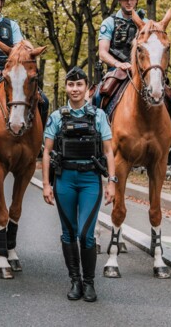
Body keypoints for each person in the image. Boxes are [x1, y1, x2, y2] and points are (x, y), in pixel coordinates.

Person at [42, 67, 116, 302]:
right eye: (71, 85)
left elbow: (108, 150)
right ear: (66, 88)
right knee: (68, 232)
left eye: (79, 85)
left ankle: (89, 282)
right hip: (65, 180)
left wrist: (112, 182)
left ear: (86, 88)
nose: (75, 89)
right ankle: (75, 281)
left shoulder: (98, 116)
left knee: (86, 234)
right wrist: (46, 184)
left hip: (90, 181)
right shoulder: (56, 117)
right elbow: (47, 151)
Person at [93, 0, 171, 165]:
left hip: (145, 70)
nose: (129, 2)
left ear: (136, 0)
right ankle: (98, 146)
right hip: (117, 69)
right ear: (119, 1)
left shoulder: (148, 23)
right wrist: (119, 64)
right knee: (97, 95)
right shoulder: (109, 22)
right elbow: (102, 51)